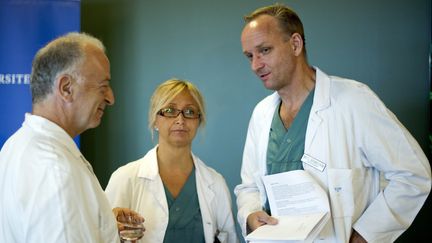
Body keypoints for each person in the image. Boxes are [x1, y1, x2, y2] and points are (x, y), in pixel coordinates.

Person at [234, 4, 431, 243]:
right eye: (249, 56)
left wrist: (366, 235)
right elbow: (249, 187)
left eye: (264, 50)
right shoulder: (261, 114)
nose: (255, 65)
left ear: (295, 44)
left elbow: (413, 174)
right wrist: (251, 214)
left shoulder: (354, 101)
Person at [0, 32, 143, 242]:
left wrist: (102, 224)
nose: (111, 98)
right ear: (66, 88)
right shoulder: (55, 170)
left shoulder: (17, 145)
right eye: (103, 86)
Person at [105, 79, 239, 243]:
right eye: (169, 110)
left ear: (199, 121)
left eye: (189, 112)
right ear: (155, 119)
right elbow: (101, 236)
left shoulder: (215, 183)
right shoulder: (125, 178)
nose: (180, 120)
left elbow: (229, 239)